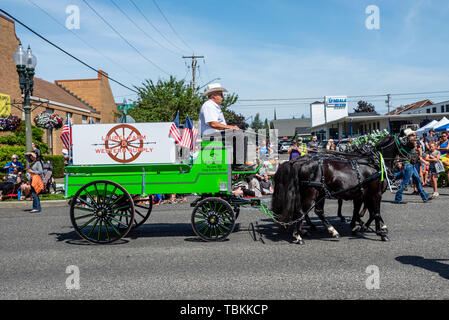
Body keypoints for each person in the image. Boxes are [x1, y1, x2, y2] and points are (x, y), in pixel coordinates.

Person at [394, 129, 430, 204]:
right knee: (405, 182)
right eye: (413, 135)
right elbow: (414, 151)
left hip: (411, 165)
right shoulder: (409, 143)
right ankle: (398, 198)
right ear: (409, 136)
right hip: (408, 165)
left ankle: (425, 196)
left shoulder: (407, 142)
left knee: (417, 180)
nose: (415, 136)